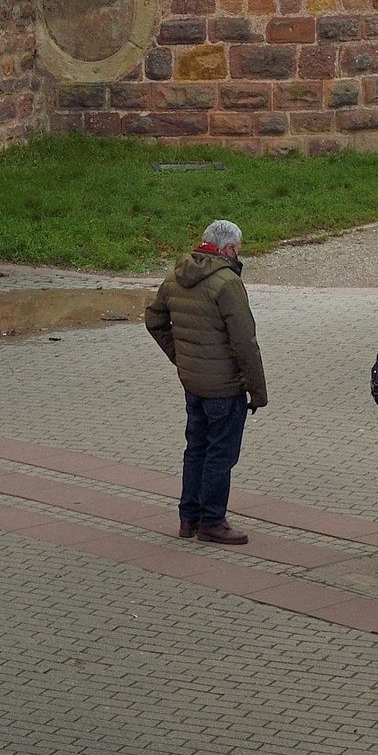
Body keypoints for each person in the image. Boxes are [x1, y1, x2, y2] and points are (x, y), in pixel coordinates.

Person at [144, 218, 268, 545]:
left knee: (195, 448)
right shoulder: (227, 283)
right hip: (225, 388)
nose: (239, 255)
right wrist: (257, 391)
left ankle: (189, 518)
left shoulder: (175, 276)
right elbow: (244, 342)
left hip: (193, 383)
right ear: (228, 249)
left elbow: (154, 319)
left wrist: (180, 357)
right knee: (220, 454)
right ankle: (212, 521)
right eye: (238, 250)